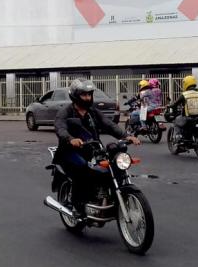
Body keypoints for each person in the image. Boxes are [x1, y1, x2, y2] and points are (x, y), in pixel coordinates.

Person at [55, 79, 139, 216]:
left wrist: (126, 136)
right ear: (75, 96)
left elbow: (109, 125)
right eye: (84, 95)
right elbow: (60, 128)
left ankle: (106, 196)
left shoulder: (92, 112)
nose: (88, 98)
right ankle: (78, 205)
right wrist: (71, 139)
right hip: (69, 151)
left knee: (112, 165)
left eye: (89, 94)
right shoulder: (65, 112)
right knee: (82, 168)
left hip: (92, 149)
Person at [168, 75, 198, 141]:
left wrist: (170, 106)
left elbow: (175, 104)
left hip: (188, 116)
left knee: (176, 120)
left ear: (186, 84)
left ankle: (178, 137)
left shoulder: (184, 94)